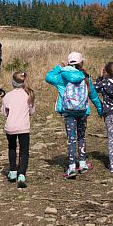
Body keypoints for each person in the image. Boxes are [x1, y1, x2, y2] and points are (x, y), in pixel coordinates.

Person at [46, 51, 103, 179]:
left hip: (68, 111)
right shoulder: (85, 77)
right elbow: (93, 95)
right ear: (81, 62)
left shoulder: (62, 77)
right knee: (81, 136)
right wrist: (100, 109)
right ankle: (82, 163)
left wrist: (59, 67)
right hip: (83, 111)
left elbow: (48, 77)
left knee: (71, 138)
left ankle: (72, 166)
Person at [1, 71, 35, 188]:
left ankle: (12, 171)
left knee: (12, 147)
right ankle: (21, 174)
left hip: (10, 127)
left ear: (13, 83)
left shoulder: (7, 96)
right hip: (23, 127)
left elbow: (4, 112)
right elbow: (32, 112)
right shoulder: (28, 95)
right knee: (24, 150)